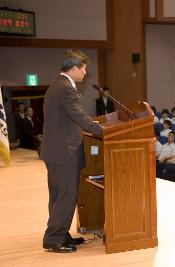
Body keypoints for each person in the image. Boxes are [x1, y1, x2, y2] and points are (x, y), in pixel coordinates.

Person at [40, 50, 103, 253]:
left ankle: (60, 233)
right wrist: (105, 131)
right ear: (74, 68)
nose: (85, 73)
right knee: (66, 195)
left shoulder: (57, 85)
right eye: (84, 69)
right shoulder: (66, 88)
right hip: (64, 152)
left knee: (58, 195)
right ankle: (54, 238)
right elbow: (80, 117)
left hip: (56, 151)